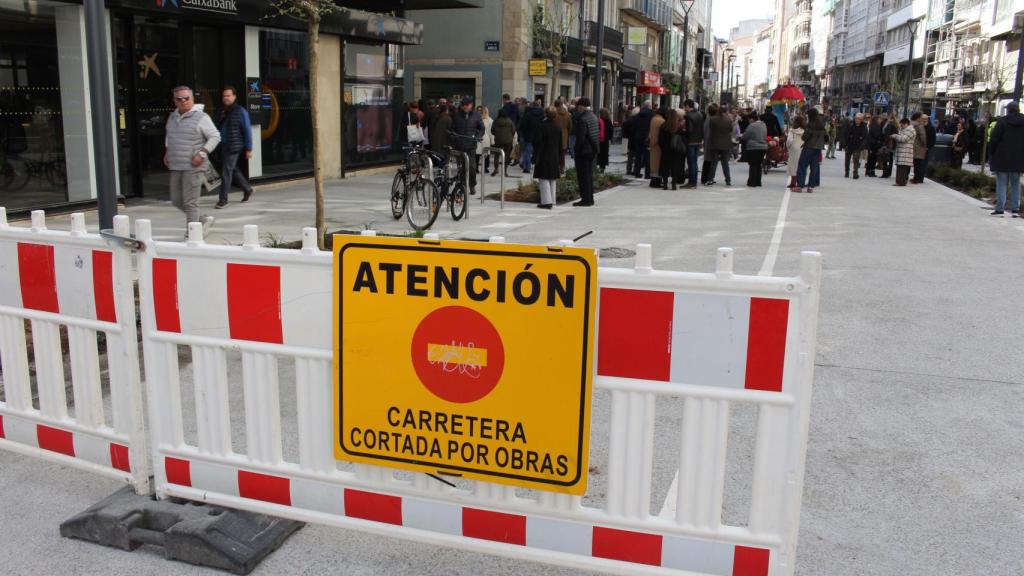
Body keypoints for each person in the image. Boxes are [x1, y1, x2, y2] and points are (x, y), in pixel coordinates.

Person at [164, 85, 219, 236]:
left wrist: (202, 153)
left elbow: (215, 136)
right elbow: (170, 136)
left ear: (192, 99)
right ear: (174, 100)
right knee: (176, 199)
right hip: (176, 164)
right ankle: (202, 220)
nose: (183, 101)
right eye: (179, 99)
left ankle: (192, 234)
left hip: (195, 165)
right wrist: (167, 152)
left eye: (186, 98)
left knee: (190, 202)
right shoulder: (172, 117)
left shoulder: (201, 117)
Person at [213, 85, 253, 209]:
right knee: (232, 169)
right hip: (222, 146)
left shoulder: (241, 111)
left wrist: (249, 148)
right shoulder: (220, 111)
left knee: (226, 171)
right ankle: (247, 189)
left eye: (228, 95)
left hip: (235, 146)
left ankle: (223, 199)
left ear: (234, 96)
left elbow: (247, 130)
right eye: (224, 96)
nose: (226, 98)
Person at [988, 101, 1024, 217]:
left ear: (1008, 110)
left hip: (1002, 158)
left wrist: (991, 153)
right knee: (1015, 184)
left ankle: (1000, 208)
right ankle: (1015, 209)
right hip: (1018, 159)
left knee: (1001, 183)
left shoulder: (1002, 121)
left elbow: (994, 139)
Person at [451, 97, 485, 195]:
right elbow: (452, 128)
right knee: (461, 167)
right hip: (459, 145)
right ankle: (462, 186)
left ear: (471, 105)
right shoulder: (456, 115)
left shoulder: (477, 115)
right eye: (463, 105)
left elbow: (482, 128)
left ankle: (472, 184)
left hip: (471, 145)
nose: (465, 107)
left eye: (467, 105)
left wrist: (478, 137)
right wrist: (454, 136)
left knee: (472, 167)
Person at [533, 106, 562, 209]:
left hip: (543, 154)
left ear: (545, 114)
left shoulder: (542, 126)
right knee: (552, 178)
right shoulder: (558, 126)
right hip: (554, 154)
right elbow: (560, 143)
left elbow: (537, 142)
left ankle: (546, 202)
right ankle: (552, 200)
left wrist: (536, 155)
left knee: (543, 178)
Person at [572, 97, 600, 206]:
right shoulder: (593, 116)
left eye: (578, 106)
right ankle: (589, 198)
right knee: (588, 176)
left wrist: (576, 150)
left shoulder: (582, 119)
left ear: (582, 106)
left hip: (583, 151)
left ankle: (586, 199)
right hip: (591, 150)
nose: (577, 108)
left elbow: (581, 138)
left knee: (583, 176)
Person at [796, 108, 826, 193]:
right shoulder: (822, 125)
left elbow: (804, 137)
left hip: (808, 148)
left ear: (810, 115)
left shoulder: (810, 124)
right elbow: (826, 137)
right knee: (814, 168)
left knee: (802, 166)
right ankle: (810, 187)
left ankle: (800, 186)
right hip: (818, 149)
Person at [704, 103, 733, 186]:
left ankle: (710, 179)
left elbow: (711, 129)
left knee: (714, 163)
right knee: (725, 163)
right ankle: (728, 180)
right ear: (725, 111)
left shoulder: (713, 119)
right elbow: (730, 130)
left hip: (715, 144)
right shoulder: (728, 120)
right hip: (726, 144)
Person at [657, 108, 683, 190]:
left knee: (665, 166)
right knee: (675, 166)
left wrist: (663, 147)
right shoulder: (678, 126)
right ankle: (674, 184)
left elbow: (660, 140)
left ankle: (665, 183)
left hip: (665, 150)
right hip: (675, 150)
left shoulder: (663, 126)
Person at [740, 111, 767, 187]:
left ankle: (752, 182)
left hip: (753, 147)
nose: (749, 121)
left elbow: (745, 136)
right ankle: (758, 182)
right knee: (758, 164)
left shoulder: (752, 126)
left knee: (753, 165)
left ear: (752, 119)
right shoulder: (764, 125)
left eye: (749, 119)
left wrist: (741, 137)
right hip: (763, 147)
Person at [682, 99, 703, 188]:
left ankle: (691, 182)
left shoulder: (688, 116)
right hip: (698, 141)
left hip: (690, 142)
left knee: (691, 163)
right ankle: (694, 182)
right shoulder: (699, 114)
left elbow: (689, 130)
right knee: (694, 162)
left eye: (684, 106)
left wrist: (683, 131)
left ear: (687, 106)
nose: (684, 108)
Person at [518, 100, 544, 173]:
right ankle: (538, 167)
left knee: (527, 152)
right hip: (539, 136)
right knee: (538, 152)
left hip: (529, 136)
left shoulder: (528, 114)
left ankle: (527, 167)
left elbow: (524, 126)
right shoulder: (542, 114)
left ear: (532, 106)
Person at [490, 109, 515, 176]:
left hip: (498, 140)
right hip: (508, 141)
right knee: (506, 155)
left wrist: (497, 135)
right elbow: (513, 130)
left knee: (497, 155)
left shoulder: (496, 121)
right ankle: (505, 171)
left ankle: (496, 169)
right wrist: (510, 136)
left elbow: (492, 130)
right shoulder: (509, 121)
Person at [631, 102, 654, 178]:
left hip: (638, 137)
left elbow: (634, 127)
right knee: (647, 156)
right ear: (649, 106)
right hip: (647, 137)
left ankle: (637, 172)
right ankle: (647, 174)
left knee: (638, 155)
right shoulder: (652, 115)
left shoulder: (638, 115)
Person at [892, 118, 916, 186]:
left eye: (902, 125)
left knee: (903, 168)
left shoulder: (911, 130)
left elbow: (904, 139)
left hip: (906, 152)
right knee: (900, 167)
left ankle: (901, 182)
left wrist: (895, 136)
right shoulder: (903, 130)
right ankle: (898, 182)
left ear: (906, 124)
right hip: (901, 151)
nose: (901, 126)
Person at [844, 113, 868, 179]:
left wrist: (862, 145)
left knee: (856, 159)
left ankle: (855, 173)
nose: (857, 120)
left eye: (859, 119)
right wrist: (845, 144)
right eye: (856, 118)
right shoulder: (850, 125)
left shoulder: (864, 127)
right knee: (847, 159)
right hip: (849, 144)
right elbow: (846, 134)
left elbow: (865, 137)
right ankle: (847, 172)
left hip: (858, 146)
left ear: (862, 120)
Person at [648, 106, 667, 188]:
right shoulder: (661, 121)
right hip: (658, 145)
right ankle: (656, 182)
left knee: (653, 163)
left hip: (652, 144)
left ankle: (653, 180)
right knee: (658, 163)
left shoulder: (653, 119)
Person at [786, 115, 805, 191]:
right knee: (799, 166)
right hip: (802, 148)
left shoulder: (792, 130)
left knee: (792, 166)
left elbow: (789, 140)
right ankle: (799, 182)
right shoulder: (804, 130)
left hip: (793, 149)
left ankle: (792, 182)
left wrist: (788, 147)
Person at [910, 112, 928, 184]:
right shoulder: (919, 125)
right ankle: (916, 178)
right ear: (918, 118)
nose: (922, 119)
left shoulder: (910, 124)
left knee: (912, 163)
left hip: (912, 145)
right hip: (919, 147)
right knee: (918, 164)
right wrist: (925, 145)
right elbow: (922, 137)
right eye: (921, 117)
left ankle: (909, 177)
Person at [554, 102, 572, 174]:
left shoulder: (554, 114)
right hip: (564, 135)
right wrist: (566, 132)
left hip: (555, 135)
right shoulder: (567, 114)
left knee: (555, 153)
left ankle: (556, 167)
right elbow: (570, 126)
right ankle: (562, 167)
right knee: (562, 154)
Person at [880, 114, 899, 178]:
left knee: (885, 158)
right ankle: (889, 172)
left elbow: (886, 135)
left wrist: (884, 144)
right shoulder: (896, 126)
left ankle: (885, 173)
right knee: (890, 159)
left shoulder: (889, 125)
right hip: (892, 144)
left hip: (887, 144)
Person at [476, 106, 493, 174]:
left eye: (481, 111)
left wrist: (492, 140)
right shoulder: (477, 119)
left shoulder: (489, 120)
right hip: (481, 138)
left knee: (484, 154)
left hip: (484, 138)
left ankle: (484, 167)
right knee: (478, 154)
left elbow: (491, 131)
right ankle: (479, 168)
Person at [597, 107, 613, 173]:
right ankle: (602, 168)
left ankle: (597, 166)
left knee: (598, 153)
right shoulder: (609, 121)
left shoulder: (599, 120)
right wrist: (609, 138)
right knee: (604, 154)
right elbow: (611, 131)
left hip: (599, 140)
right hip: (605, 140)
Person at [622, 107, 637, 174]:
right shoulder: (638, 120)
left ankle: (628, 170)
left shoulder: (629, 120)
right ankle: (635, 170)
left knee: (630, 156)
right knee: (637, 157)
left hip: (631, 140)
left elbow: (624, 130)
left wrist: (627, 136)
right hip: (636, 140)